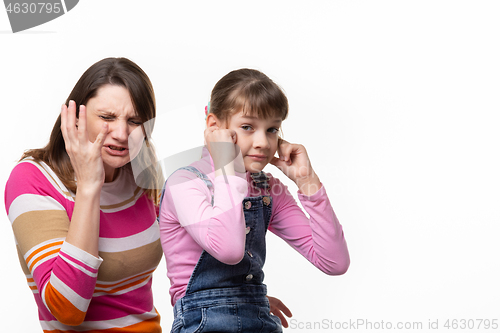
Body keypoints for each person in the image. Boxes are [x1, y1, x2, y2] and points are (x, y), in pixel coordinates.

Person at [4, 58, 291, 333]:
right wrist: (90, 186)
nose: (120, 133)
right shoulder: (34, 178)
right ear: (73, 115)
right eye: (106, 117)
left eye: (134, 121)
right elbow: (67, 309)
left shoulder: (143, 174)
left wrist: (234, 302)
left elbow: (195, 249)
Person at [158, 68, 350, 333]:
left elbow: (334, 262)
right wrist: (229, 165)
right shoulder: (185, 183)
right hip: (202, 324)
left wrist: (307, 182)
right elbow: (229, 250)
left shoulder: (266, 188)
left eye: (271, 129)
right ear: (214, 126)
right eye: (248, 127)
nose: (262, 142)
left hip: (260, 321)